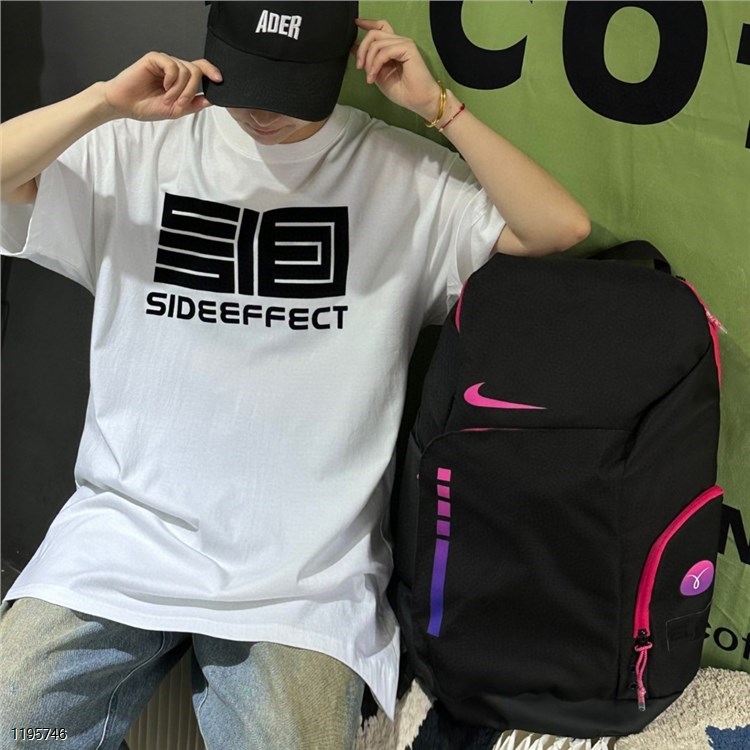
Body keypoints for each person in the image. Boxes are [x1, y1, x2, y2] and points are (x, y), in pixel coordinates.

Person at [0, 2, 589, 749]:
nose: (264, 110)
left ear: (344, 58)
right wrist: (100, 103)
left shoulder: (401, 176)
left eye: (291, 87)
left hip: (304, 579)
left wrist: (442, 109)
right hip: (121, 544)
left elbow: (557, 228)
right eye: (249, 80)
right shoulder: (134, 147)